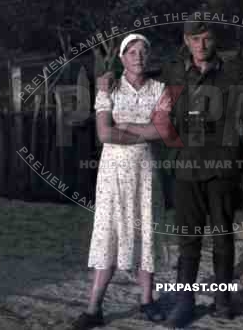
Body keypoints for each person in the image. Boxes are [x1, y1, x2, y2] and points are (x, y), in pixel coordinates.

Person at [159, 14, 243, 328]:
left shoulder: (233, 71)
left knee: (223, 237)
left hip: (223, 164)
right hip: (186, 166)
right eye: (194, 38)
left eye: (207, 38)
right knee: (188, 238)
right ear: (186, 40)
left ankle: (222, 298)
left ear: (215, 40)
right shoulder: (172, 71)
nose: (201, 44)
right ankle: (184, 301)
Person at [72, 33, 173, 329]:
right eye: (132, 52)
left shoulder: (160, 89)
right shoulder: (108, 88)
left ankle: (147, 300)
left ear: (149, 56)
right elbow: (104, 134)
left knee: (146, 230)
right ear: (122, 57)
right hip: (113, 171)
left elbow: (164, 132)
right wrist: (144, 130)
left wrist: (126, 126)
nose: (138, 57)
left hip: (145, 170)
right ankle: (94, 308)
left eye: (143, 51)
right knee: (109, 233)